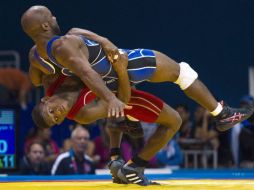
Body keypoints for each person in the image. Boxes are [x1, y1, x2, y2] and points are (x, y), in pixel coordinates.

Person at [21, 5, 253, 185]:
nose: (55, 19)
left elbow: (73, 36)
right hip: (124, 69)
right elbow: (88, 74)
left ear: (46, 99)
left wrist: (103, 40)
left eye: (52, 112)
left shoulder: (38, 57)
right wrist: (117, 83)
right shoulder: (61, 52)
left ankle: (126, 155)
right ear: (44, 26)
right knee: (183, 73)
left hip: (112, 83)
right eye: (51, 17)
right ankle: (220, 114)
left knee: (148, 112)